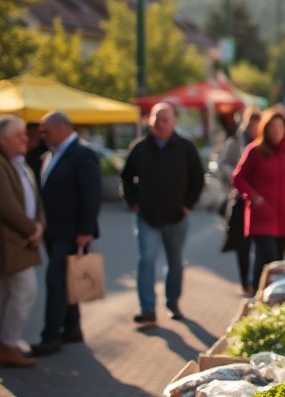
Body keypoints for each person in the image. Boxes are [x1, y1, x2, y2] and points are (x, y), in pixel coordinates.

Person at [120, 102, 205, 326]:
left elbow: (198, 178)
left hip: (176, 217)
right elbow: (126, 178)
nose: (160, 124)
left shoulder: (185, 148)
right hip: (147, 217)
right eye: (157, 119)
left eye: (165, 120)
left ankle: (172, 301)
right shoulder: (139, 148)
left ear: (173, 123)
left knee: (175, 262)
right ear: (150, 121)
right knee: (146, 259)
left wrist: (187, 204)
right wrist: (133, 202)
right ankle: (147, 309)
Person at [30, 111, 101, 356]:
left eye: (46, 130)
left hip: (71, 233)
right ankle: (72, 328)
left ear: (61, 128)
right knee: (68, 281)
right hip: (53, 231)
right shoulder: (48, 155)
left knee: (56, 281)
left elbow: (91, 195)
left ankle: (50, 337)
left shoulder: (82, 154)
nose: (42, 135)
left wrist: (85, 230)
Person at [232, 107, 285, 289]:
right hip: (262, 216)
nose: (276, 130)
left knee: (276, 262)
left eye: (280, 126)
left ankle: (267, 297)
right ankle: (258, 295)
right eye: (272, 126)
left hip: (284, 217)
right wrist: (254, 196)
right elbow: (238, 178)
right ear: (265, 129)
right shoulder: (255, 151)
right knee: (269, 257)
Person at [0, 116, 44, 368]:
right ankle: (7, 343)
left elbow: (36, 200)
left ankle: (5, 344)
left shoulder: (20, 164)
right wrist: (31, 229)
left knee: (9, 293)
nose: (25, 139)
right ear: (2, 139)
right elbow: (6, 204)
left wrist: (39, 226)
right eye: (19, 135)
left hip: (23, 239)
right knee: (25, 291)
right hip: (11, 241)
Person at [218, 105, 261, 295]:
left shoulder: (265, 142)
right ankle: (245, 280)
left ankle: (258, 279)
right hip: (240, 197)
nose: (253, 130)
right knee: (242, 244)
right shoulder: (236, 142)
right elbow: (223, 163)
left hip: (260, 199)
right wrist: (232, 173)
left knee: (260, 243)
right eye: (251, 126)